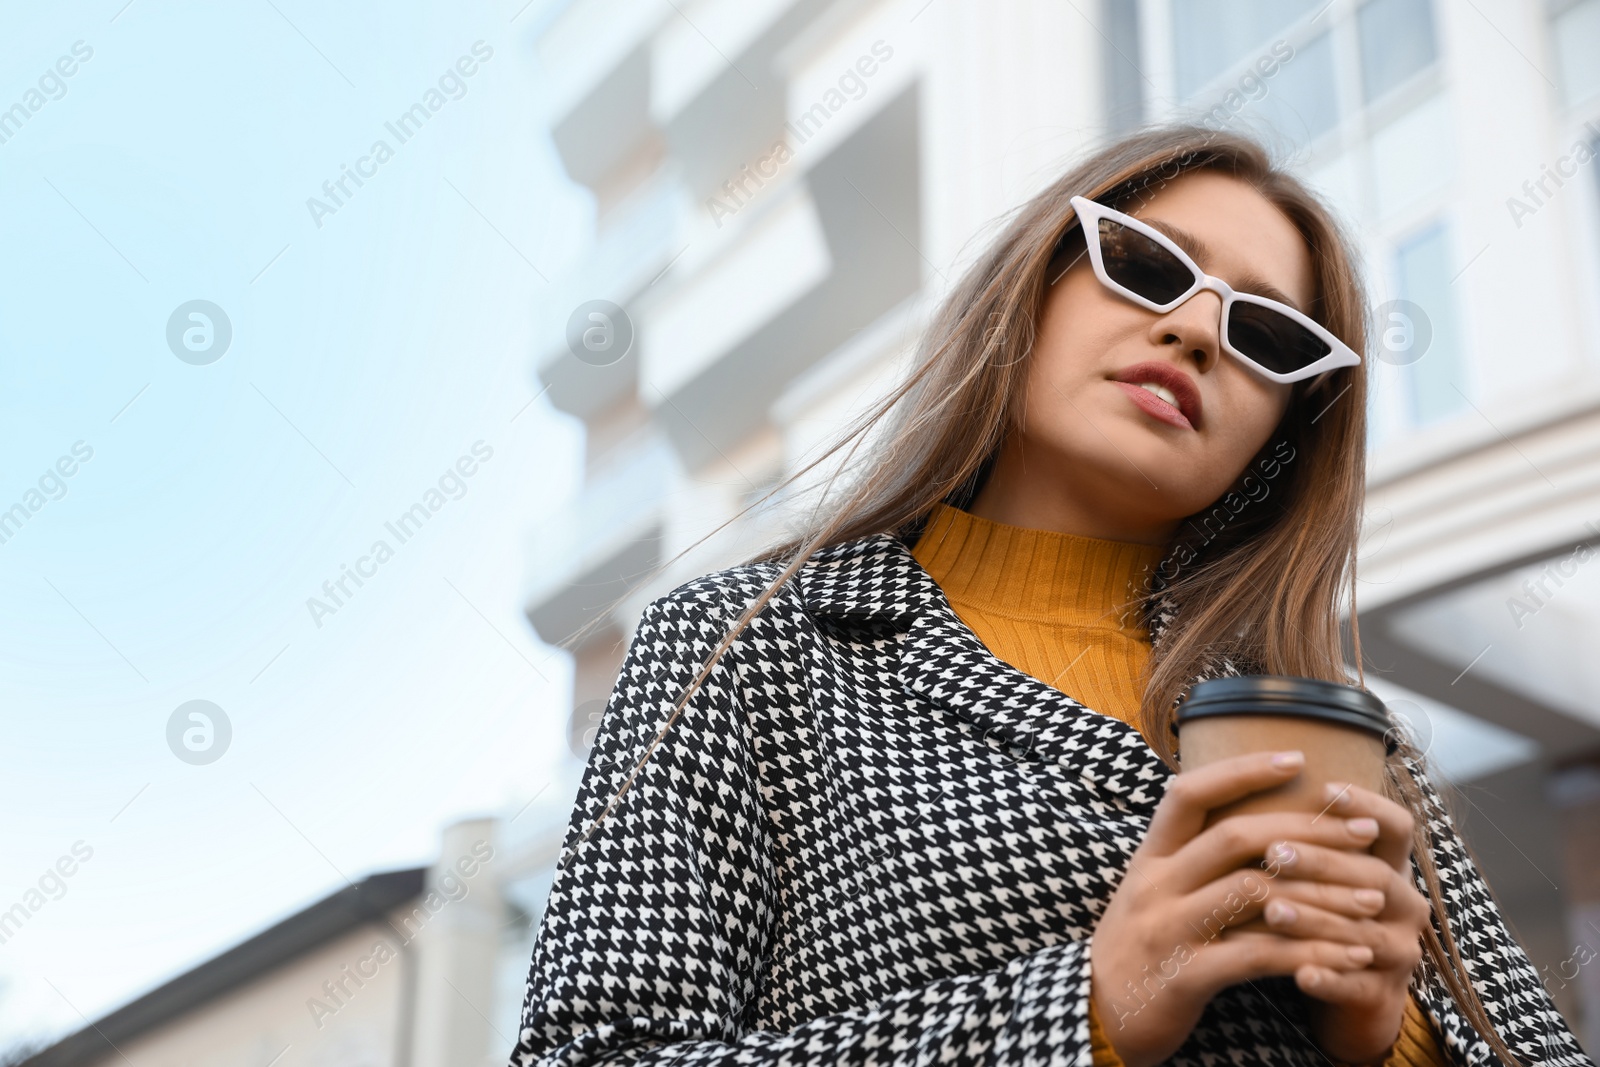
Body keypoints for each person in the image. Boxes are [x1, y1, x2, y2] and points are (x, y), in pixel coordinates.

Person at [507, 125, 1588, 1067]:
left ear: (1281, 432)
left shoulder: (1336, 727)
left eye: (1264, 334)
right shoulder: (740, 646)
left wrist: (1389, 1036)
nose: (1200, 330)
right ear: (1033, 284)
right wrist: (1086, 1005)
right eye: (1147, 266)